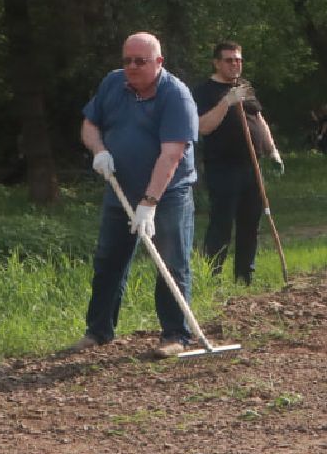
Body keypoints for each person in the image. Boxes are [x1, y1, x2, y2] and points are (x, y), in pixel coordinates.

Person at [74, 32, 199, 358]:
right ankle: (98, 331)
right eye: (127, 60)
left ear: (158, 62)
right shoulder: (113, 84)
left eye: (140, 61)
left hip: (168, 194)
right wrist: (99, 151)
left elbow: (171, 155)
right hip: (120, 189)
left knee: (171, 262)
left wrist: (149, 203)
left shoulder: (177, 96)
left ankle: (176, 335)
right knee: (108, 260)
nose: (131, 66)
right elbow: (89, 125)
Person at [192, 42, 283, 285]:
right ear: (216, 63)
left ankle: (245, 276)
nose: (235, 64)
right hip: (222, 167)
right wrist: (227, 102)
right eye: (229, 60)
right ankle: (212, 277)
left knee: (250, 222)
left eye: (238, 60)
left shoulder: (245, 86)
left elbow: (259, 118)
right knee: (221, 223)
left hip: (252, 166)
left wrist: (273, 151)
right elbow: (203, 127)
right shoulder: (204, 91)